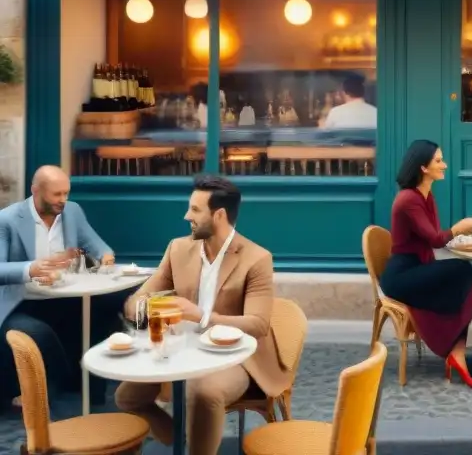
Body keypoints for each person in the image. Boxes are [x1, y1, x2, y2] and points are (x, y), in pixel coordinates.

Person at [116, 175, 287, 455]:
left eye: (195, 210)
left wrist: (201, 316)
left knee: (202, 392)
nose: (186, 216)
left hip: (235, 356)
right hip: (181, 348)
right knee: (127, 397)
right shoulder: (178, 248)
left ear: (219, 215)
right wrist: (144, 309)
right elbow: (138, 298)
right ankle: (180, 440)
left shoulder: (256, 259)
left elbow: (257, 324)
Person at [380, 140, 472, 388]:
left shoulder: (425, 196)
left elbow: (433, 238)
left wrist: (460, 235)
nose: (445, 165)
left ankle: (461, 354)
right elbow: (436, 239)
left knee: (461, 279)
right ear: (423, 167)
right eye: (438, 161)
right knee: (461, 272)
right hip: (402, 277)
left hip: (417, 268)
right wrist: (459, 227)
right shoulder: (408, 200)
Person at [0, 165, 118, 409]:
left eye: (66, 193)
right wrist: (30, 269)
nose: (63, 200)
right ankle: (60, 382)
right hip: (20, 301)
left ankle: (94, 394)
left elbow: (97, 245)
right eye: (57, 195)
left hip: (65, 295)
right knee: (39, 333)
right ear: (36, 191)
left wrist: (105, 256)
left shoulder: (72, 211)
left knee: (105, 311)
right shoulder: (7, 220)